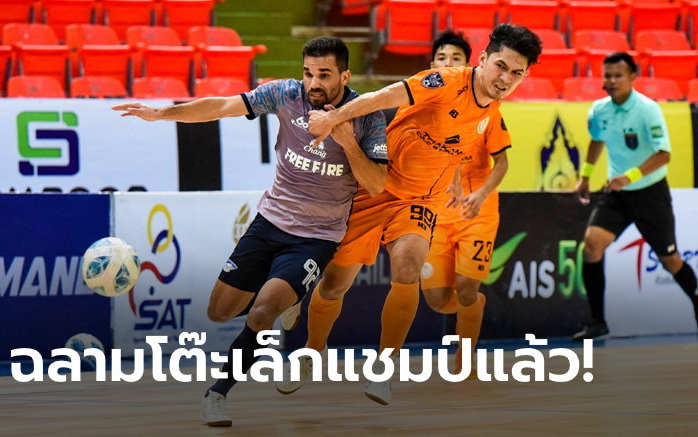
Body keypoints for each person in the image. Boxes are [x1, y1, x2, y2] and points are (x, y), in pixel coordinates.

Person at [113, 36, 388, 426]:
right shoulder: (285, 94)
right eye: (308, 73)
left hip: (317, 237)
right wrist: (162, 114)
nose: (314, 83)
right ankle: (289, 296)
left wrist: (346, 141)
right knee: (219, 311)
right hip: (270, 221)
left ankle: (217, 395)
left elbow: (376, 184)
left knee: (261, 313)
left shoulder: (366, 115)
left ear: (345, 76)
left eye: (324, 75)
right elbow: (222, 106)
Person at [276, 24, 541, 405]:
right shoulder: (445, 81)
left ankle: (384, 367)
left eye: (516, 73)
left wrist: (452, 178)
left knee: (408, 267)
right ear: (483, 59)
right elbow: (384, 96)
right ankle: (313, 350)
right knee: (334, 285)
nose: (506, 79)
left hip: (421, 200)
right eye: (501, 66)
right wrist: (334, 119)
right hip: (377, 186)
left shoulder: (493, 109)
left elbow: (454, 143)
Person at [573, 52, 698, 341]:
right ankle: (597, 322)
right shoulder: (599, 110)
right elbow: (596, 140)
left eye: (618, 75)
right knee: (591, 246)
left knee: (670, 260)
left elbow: (664, 154)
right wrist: (585, 176)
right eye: (607, 75)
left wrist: (629, 177)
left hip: (650, 193)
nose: (612, 81)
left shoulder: (647, 109)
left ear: (632, 77)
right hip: (616, 194)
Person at [419, 31, 511, 374]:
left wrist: (480, 194)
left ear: (470, 64)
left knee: (466, 289)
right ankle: (473, 306)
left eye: (455, 58)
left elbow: (502, 162)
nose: (448, 63)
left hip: (476, 213)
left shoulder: (487, 108)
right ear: (432, 65)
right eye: (441, 58)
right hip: (435, 216)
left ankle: (465, 356)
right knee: (437, 300)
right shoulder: (419, 106)